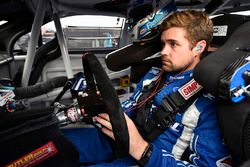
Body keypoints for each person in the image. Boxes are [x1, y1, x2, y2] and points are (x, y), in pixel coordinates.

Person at [62, 10, 232, 166]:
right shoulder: (156, 73)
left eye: (173, 44)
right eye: (163, 44)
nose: (164, 52)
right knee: (54, 144)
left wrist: (143, 150)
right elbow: (131, 105)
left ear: (199, 47)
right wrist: (103, 107)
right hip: (120, 140)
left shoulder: (208, 98)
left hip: (151, 160)